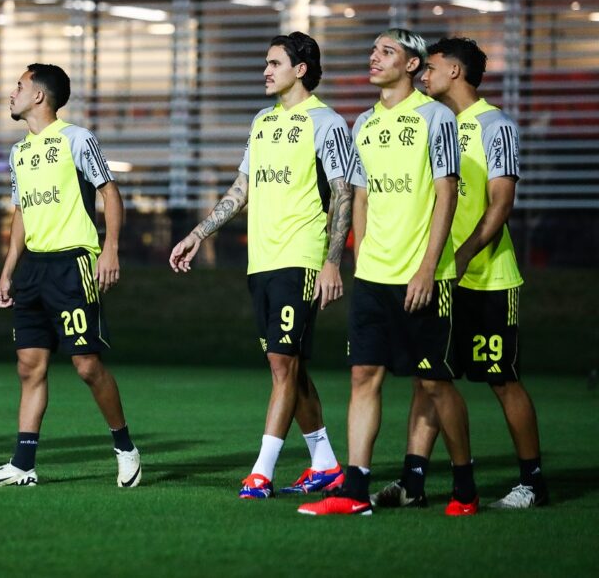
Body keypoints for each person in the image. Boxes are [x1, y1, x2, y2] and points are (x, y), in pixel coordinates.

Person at [298, 28, 478, 516]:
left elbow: (445, 194)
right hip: (373, 276)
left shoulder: (436, 117)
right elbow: (358, 195)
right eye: (373, 50)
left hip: (424, 276)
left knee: (436, 383)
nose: (373, 58)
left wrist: (427, 268)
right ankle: (355, 490)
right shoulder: (363, 123)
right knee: (363, 375)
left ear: (414, 65)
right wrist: (355, 257)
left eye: (386, 52)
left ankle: (465, 486)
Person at [169, 32, 351, 499]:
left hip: (301, 257)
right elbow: (241, 189)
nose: (265, 71)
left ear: (301, 69)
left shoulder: (327, 123)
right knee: (292, 365)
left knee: (280, 362)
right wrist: (198, 233)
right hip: (262, 262)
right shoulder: (262, 122)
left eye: (274, 63)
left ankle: (262, 471)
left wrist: (333, 261)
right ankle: (326, 464)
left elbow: (344, 194)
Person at [371, 37, 546, 510]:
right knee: (429, 378)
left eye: (430, 68)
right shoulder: (433, 122)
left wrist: (464, 254)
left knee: (501, 377)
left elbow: (501, 203)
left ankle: (532, 481)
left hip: (487, 278)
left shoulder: (494, 126)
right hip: (437, 276)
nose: (423, 76)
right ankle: (414, 482)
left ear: (455, 71)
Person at [0, 63, 140, 487]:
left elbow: (109, 192)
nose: (12, 93)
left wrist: (110, 249)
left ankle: (125, 449)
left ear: (40, 96)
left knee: (86, 365)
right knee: (29, 366)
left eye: (19, 86)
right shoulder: (18, 152)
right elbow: (22, 214)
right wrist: (8, 271)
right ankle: (22, 465)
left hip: (73, 265)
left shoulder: (76, 139)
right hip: (33, 271)